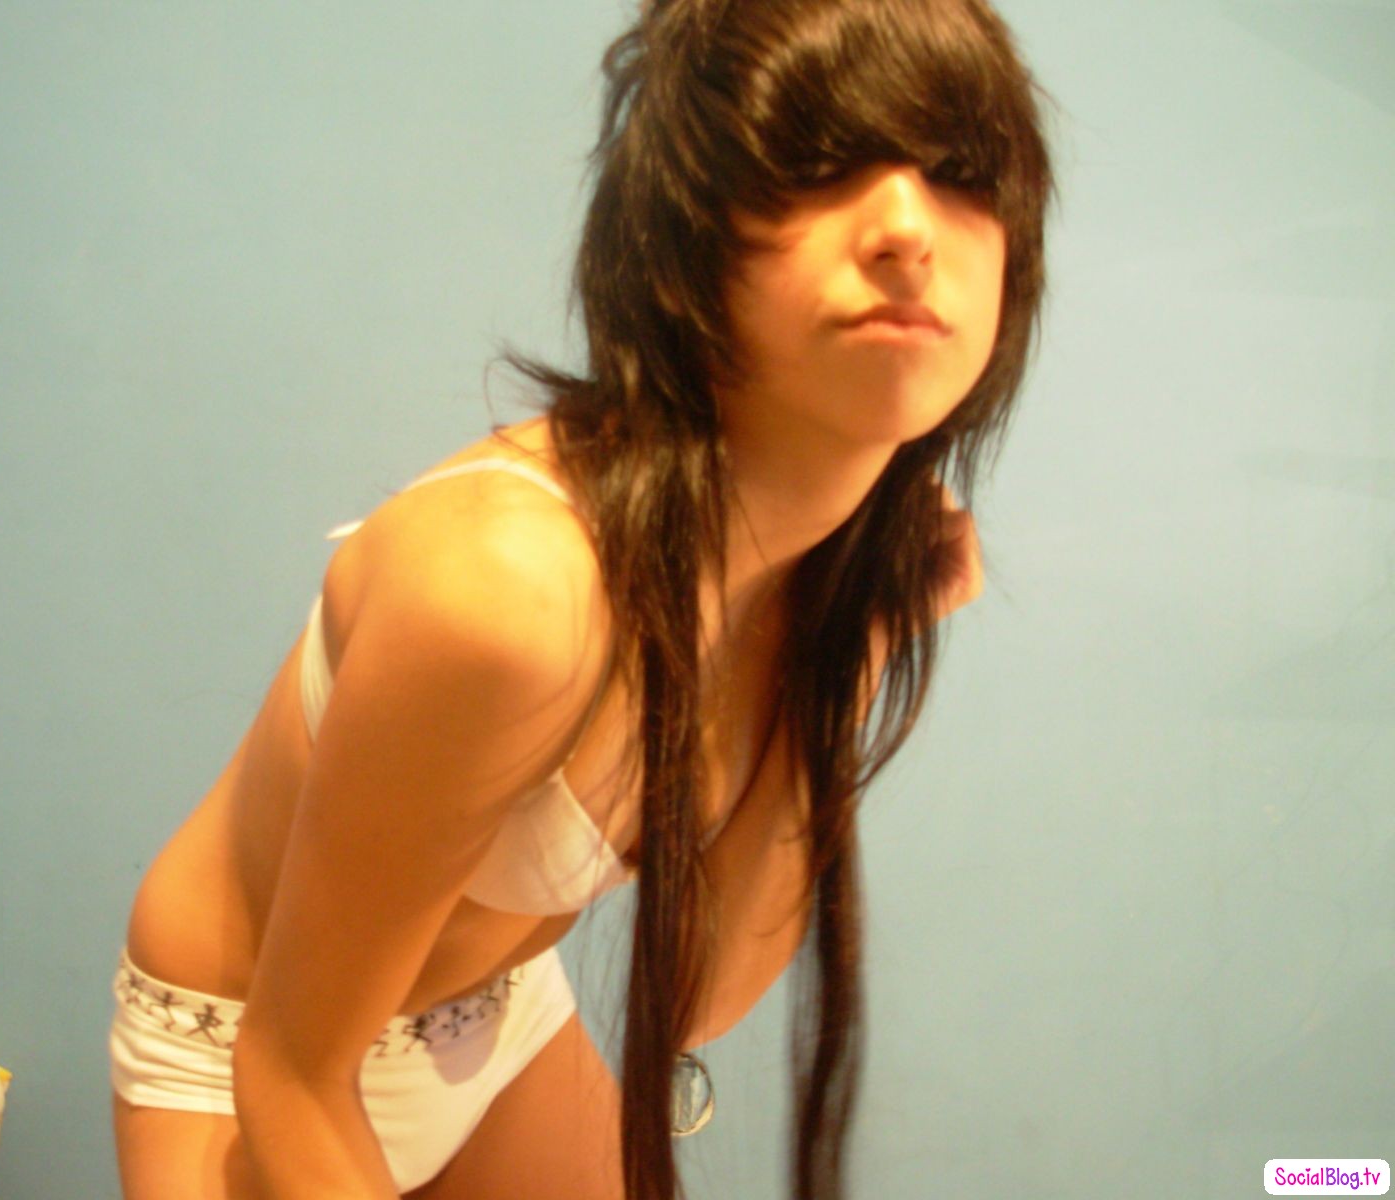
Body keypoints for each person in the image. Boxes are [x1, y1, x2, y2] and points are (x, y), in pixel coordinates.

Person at [109, 0, 1056, 1195]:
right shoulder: (504, 590)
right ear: (682, 242)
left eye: (962, 172)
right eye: (814, 164)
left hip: (500, 1027)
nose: (907, 230)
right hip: (244, 1056)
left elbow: (704, 994)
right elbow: (291, 1075)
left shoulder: (802, 576)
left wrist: (859, 646)